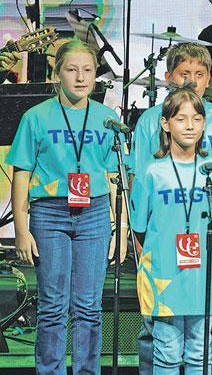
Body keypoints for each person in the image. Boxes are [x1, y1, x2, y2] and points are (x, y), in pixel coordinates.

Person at [8, 39, 127, 373]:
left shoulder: (107, 119)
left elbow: (115, 177)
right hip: (50, 214)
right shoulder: (36, 117)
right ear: (57, 73)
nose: (81, 77)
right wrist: (21, 229)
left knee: (89, 306)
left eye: (87, 70)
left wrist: (121, 228)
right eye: (72, 70)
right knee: (53, 306)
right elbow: (21, 173)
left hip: (94, 214)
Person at [131, 42, 212, 375]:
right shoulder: (152, 160)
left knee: (203, 342)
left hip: (204, 260)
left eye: (199, 74)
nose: (191, 80)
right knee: (162, 342)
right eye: (184, 73)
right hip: (164, 261)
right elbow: (140, 214)